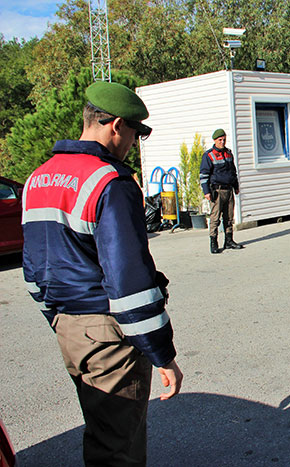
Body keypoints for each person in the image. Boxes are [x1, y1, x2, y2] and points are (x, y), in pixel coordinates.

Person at [22, 81, 183, 466]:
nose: (132, 144)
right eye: (134, 133)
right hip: (109, 334)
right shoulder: (110, 182)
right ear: (116, 126)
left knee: (100, 430)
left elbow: (34, 271)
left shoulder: (37, 179)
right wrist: (163, 355)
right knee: (117, 450)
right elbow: (130, 284)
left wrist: (58, 318)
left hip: (68, 328)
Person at [200, 128, 243, 253]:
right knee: (215, 218)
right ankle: (213, 243)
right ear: (215, 140)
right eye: (220, 140)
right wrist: (206, 191)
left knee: (229, 217)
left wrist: (236, 186)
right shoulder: (209, 155)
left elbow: (233, 172)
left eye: (224, 139)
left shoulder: (229, 154)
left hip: (229, 190)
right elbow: (204, 175)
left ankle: (229, 241)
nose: (222, 142)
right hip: (217, 191)